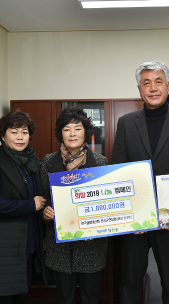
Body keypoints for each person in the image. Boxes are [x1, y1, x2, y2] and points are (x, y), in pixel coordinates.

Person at [111, 60, 169, 304]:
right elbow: (119, 172)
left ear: (168, 86)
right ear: (139, 89)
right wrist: (131, 215)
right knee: (130, 280)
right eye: (146, 83)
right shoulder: (126, 123)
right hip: (135, 221)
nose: (153, 88)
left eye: (158, 82)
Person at [0, 109, 48, 303]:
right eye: (14, 131)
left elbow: (41, 198)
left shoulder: (33, 160)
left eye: (24, 132)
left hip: (29, 239)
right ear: (3, 135)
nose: (20, 137)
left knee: (23, 293)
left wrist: (41, 232)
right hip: (4, 242)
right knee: (5, 297)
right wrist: (28, 205)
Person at [39, 107, 109, 304]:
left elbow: (107, 205)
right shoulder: (48, 163)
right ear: (60, 133)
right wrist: (45, 213)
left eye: (77, 128)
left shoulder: (101, 163)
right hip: (60, 245)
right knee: (64, 297)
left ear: (86, 132)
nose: (72, 134)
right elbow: (44, 199)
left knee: (91, 296)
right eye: (66, 129)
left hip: (91, 246)